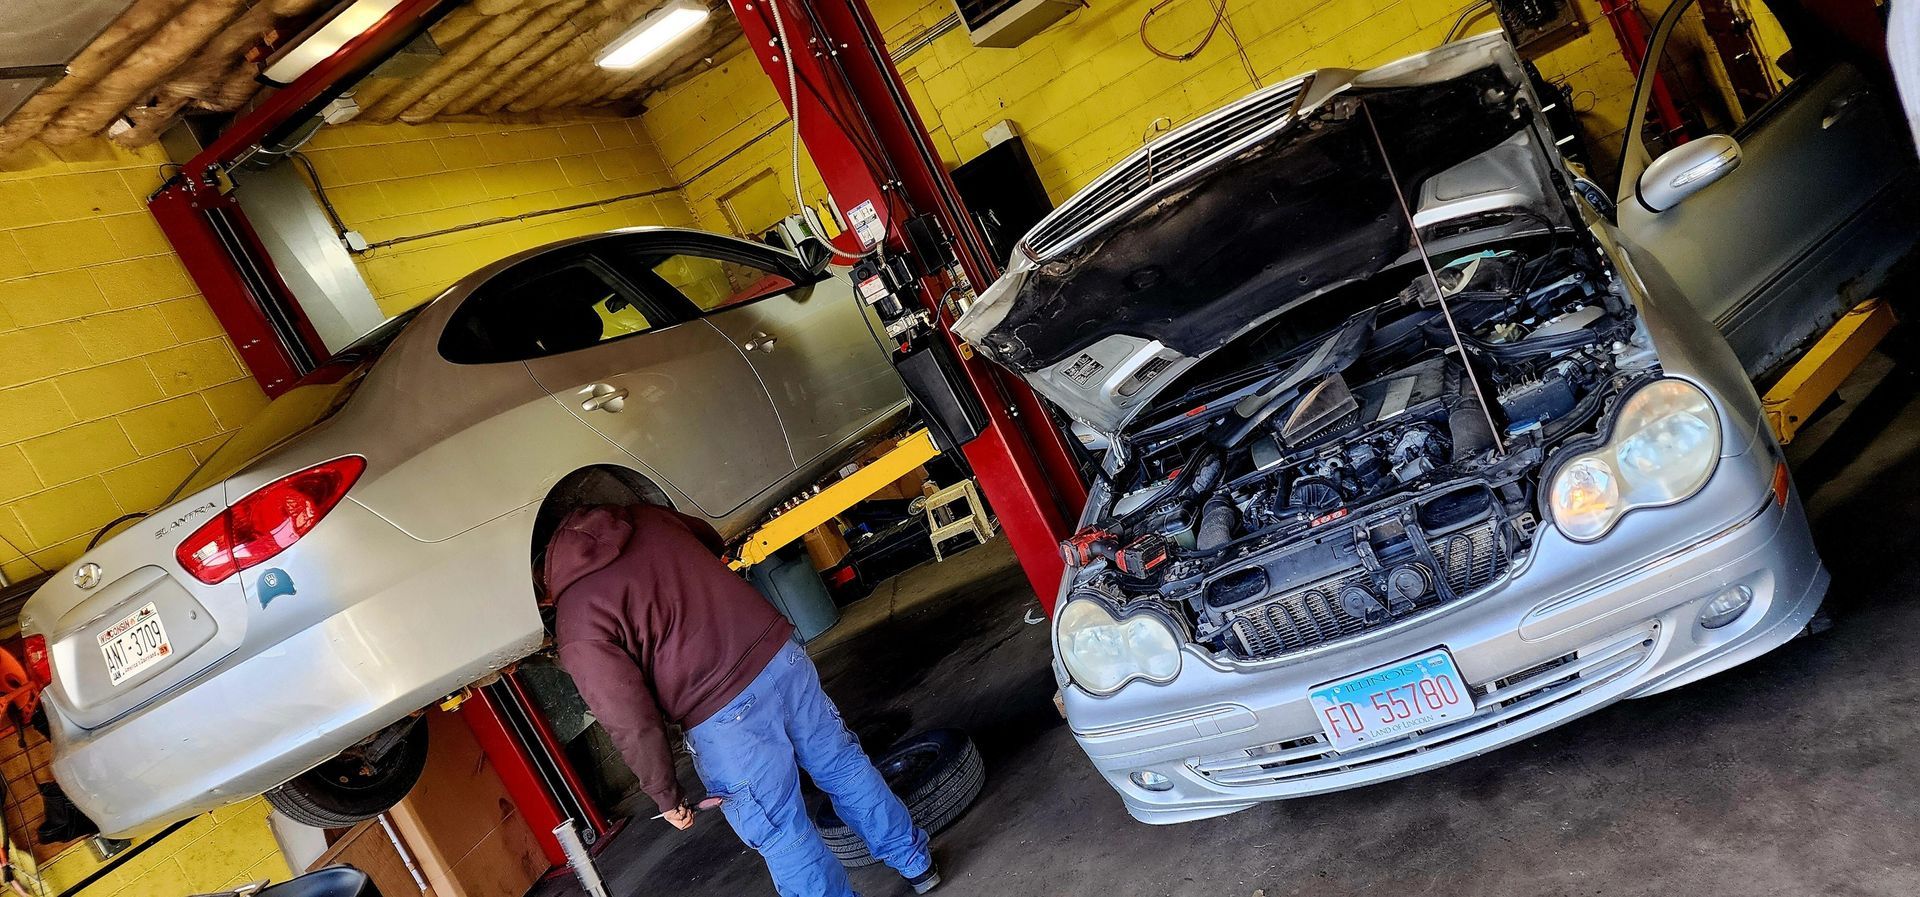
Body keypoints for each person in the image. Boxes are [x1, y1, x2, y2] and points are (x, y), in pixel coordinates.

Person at [541, 504, 941, 897]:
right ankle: (917, 864)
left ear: (541, 580)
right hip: (779, 655)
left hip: (722, 713)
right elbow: (710, 538)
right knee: (843, 766)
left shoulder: (577, 619)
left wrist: (664, 793)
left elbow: (629, 719)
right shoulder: (643, 516)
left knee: (780, 829)